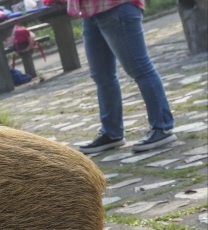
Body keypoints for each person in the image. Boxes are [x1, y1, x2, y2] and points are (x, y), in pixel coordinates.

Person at [70, 0, 176, 154]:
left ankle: (163, 126)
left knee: (140, 69)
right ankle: (111, 133)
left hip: (117, 6)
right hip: (90, 12)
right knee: (102, 76)